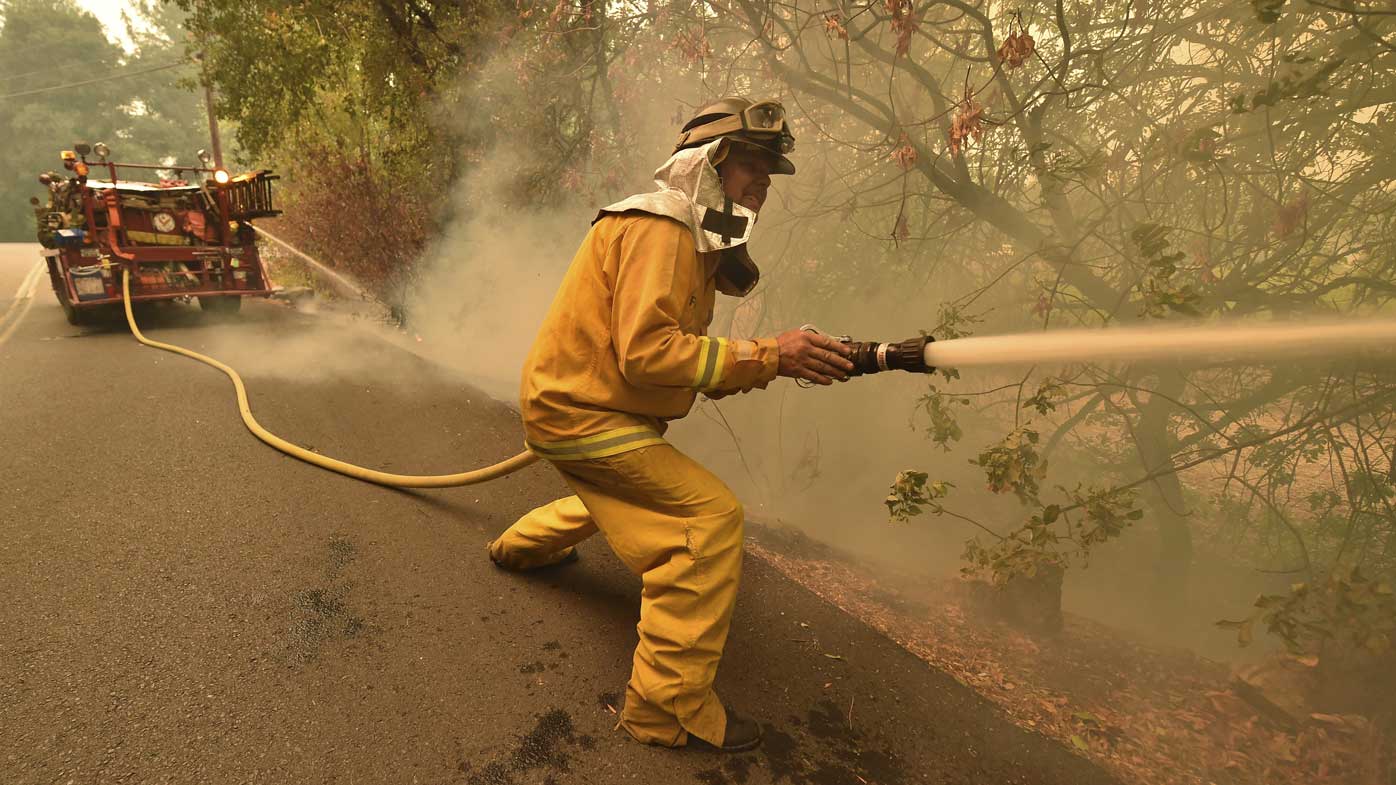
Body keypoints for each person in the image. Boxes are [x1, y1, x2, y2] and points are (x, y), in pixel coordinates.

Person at [488, 97, 855, 753]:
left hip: (582, 405)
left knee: (625, 496)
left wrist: (774, 357)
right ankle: (666, 709)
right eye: (749, 167)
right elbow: (650, 350)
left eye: (768, 176)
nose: (761, 185)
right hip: (584, 412)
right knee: (705, 519)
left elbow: (670, 353)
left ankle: (517, 548)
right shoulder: (664, 227)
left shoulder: (694, 237)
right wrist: (770, 354)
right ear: (708, 166)